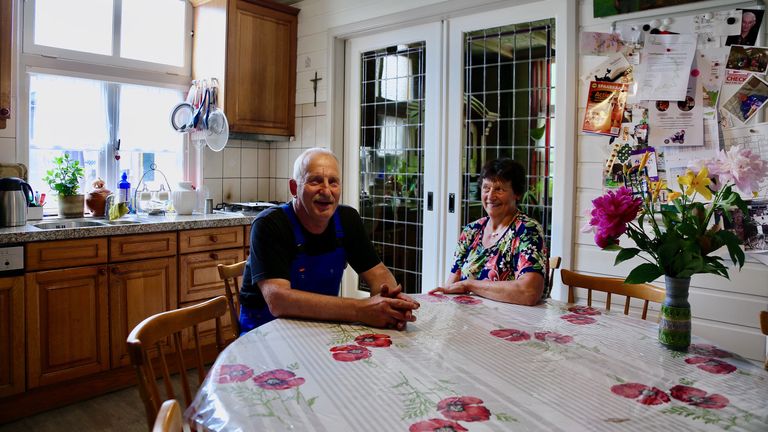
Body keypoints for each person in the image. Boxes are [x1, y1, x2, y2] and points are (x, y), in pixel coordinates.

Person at [238, 148, 419, 333]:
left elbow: (378, 272)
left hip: (319, 328)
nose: (326, 191)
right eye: (315, 181)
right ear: (294, 188)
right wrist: (361, 310)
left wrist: (389, 303)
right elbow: (278, 300)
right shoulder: (269, 224)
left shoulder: (347, 219)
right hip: (264, 335)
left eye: (333, 182)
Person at [429, 158, 547, 305]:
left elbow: (529, 292)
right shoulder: (471, 231)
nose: (490, 196)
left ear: (516, 194)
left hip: (510, 321)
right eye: (486, 188)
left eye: (499, 189)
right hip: (467, 318)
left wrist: (469, 284)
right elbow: (451, 285)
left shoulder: (527, 230)